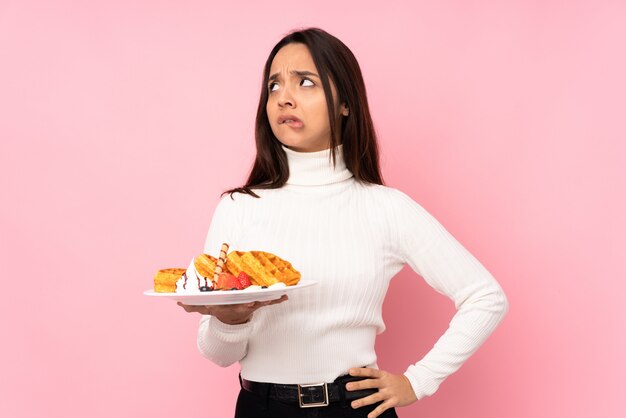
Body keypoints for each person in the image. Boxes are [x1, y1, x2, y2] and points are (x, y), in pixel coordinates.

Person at [178, 27, 509, 418]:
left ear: (345, 103)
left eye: (305, 82)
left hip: (353, 410)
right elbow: (217, 354)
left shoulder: (386, 209)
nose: (284, 97)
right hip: (261, 409)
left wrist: (418, 381)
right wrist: (230, 321)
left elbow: (486, 297)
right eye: (273, 85)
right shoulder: (239, 207)